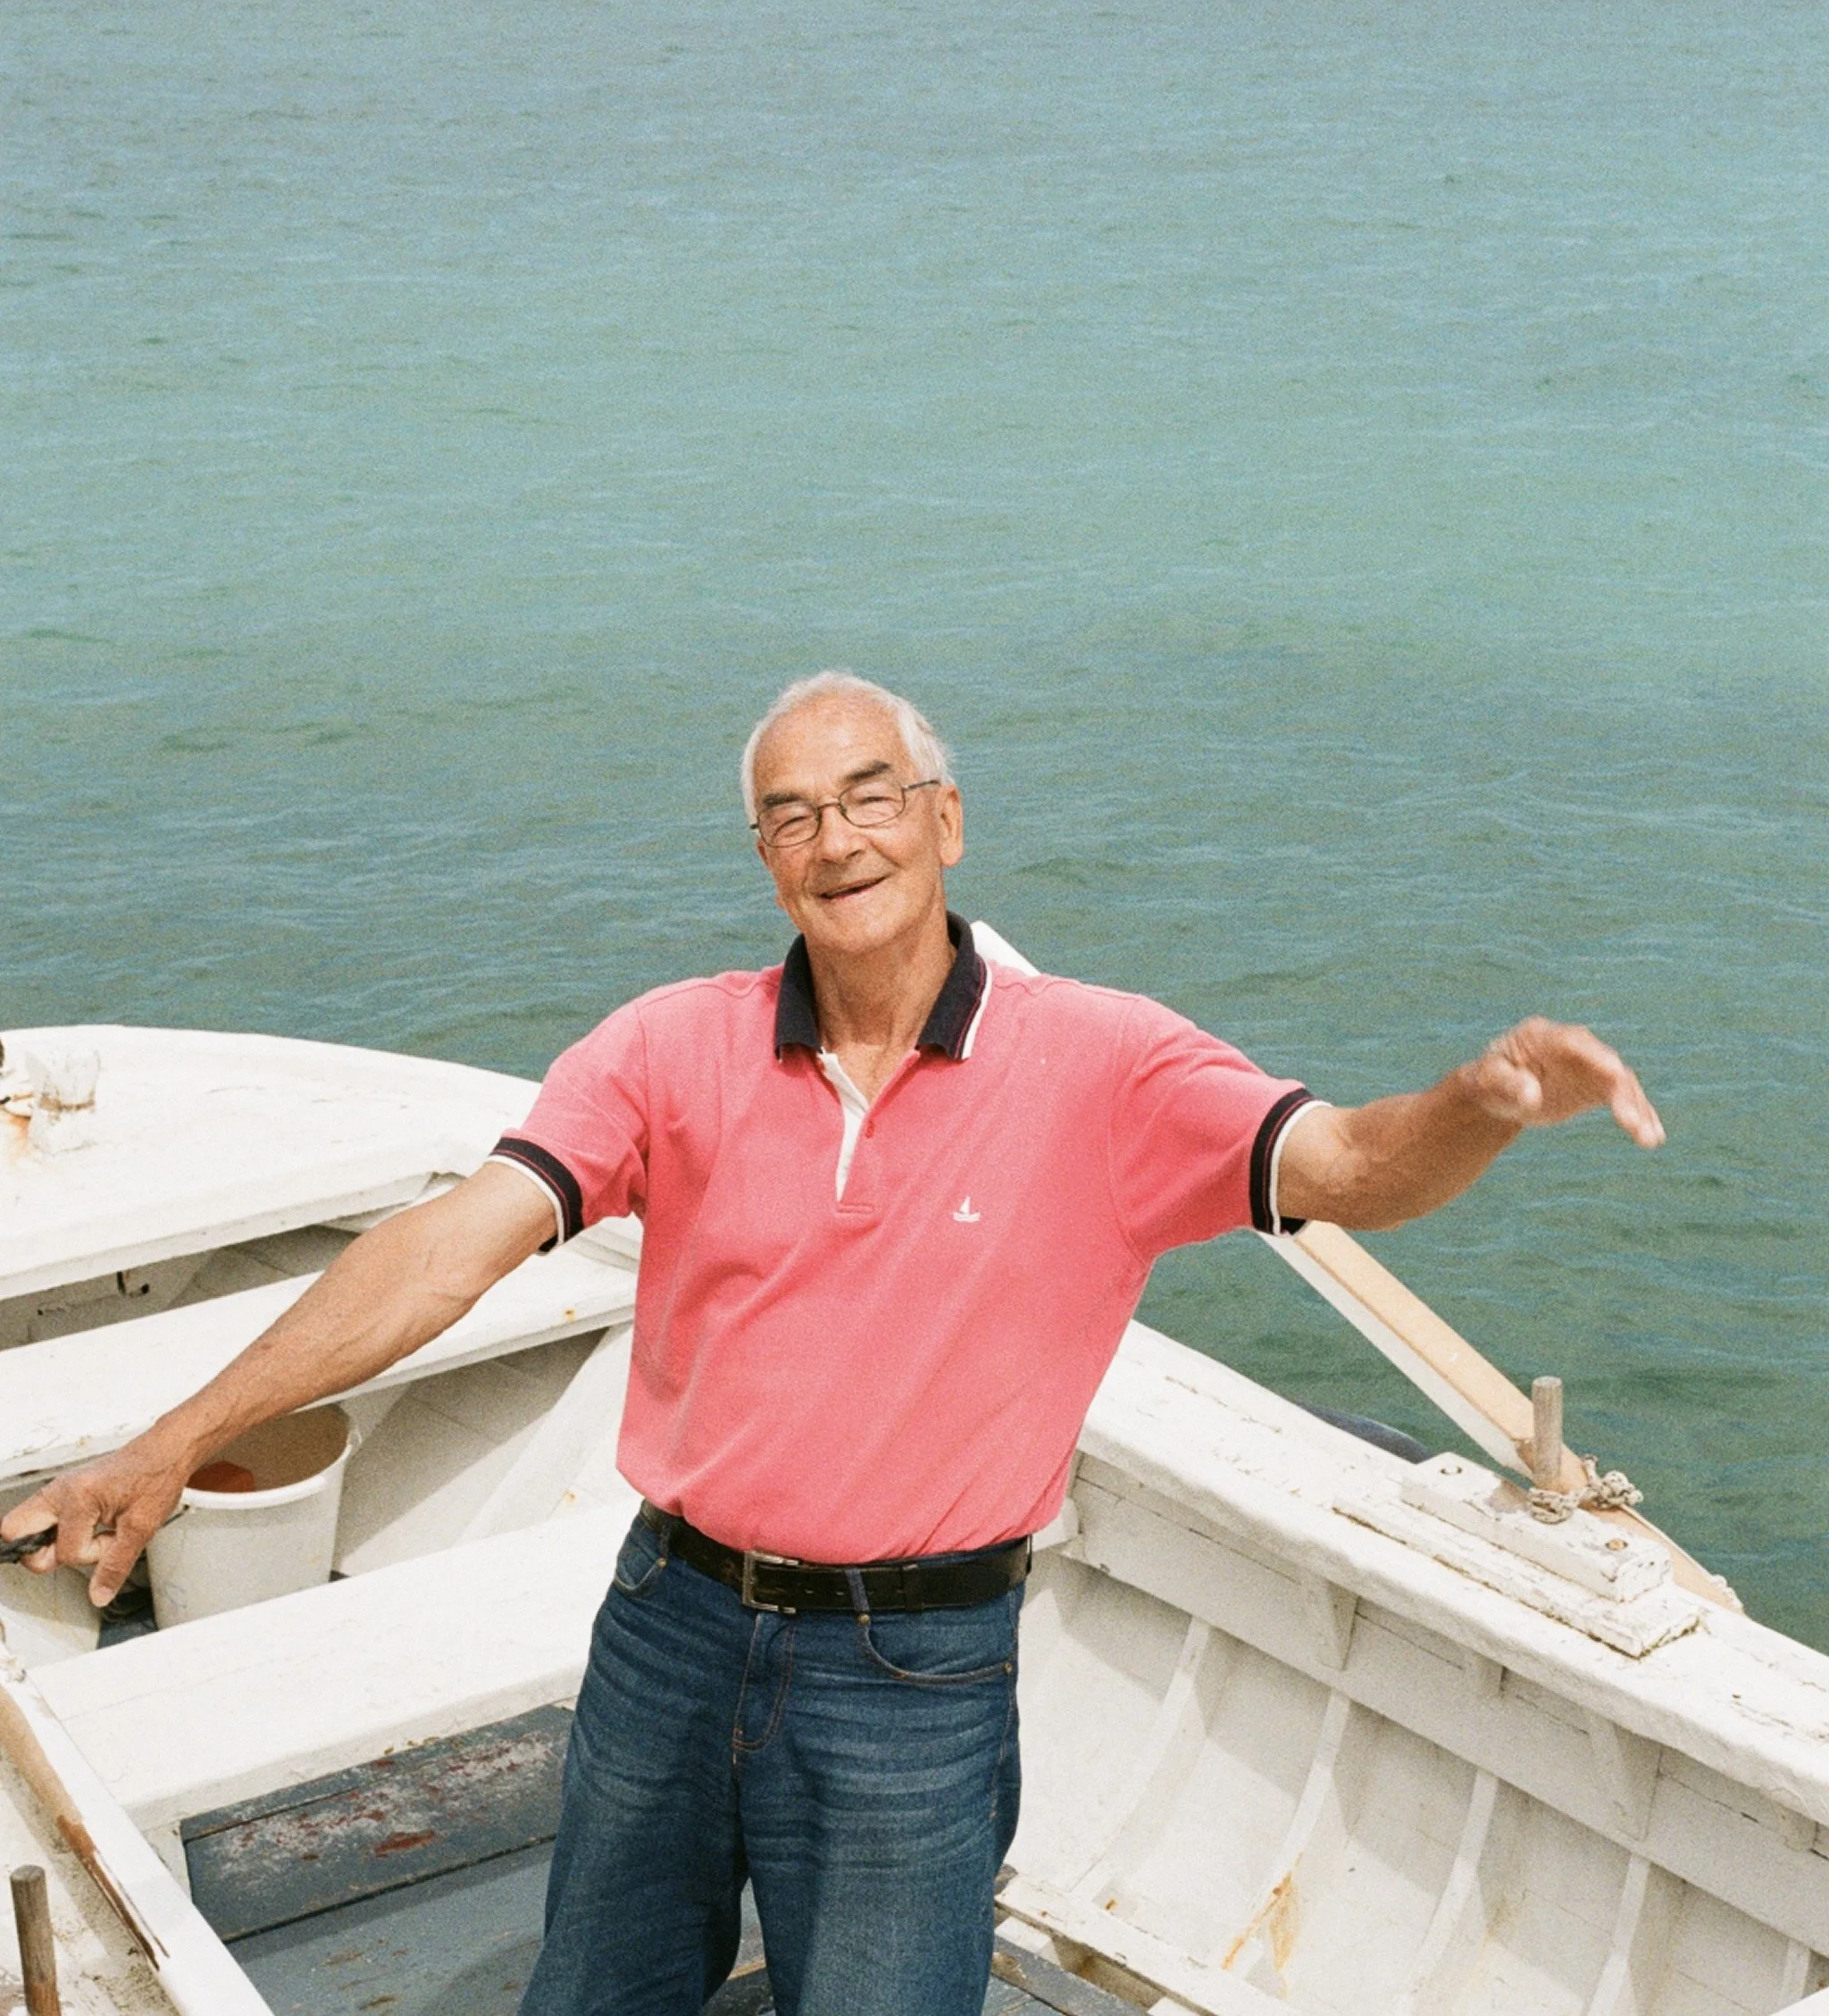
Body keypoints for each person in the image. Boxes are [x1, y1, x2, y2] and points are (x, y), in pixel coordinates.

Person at [4, 672, 1664, 2016]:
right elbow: (444, 1249)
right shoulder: (672, 1047)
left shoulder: (1106, 1069)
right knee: (593, 1993)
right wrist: (172, 1440)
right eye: (792, 814)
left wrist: (1478, 1102)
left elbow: (1354, 1166)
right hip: (670, 1623)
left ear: (946, 819)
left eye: (872, 795)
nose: (838, 838)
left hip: (913, 1675)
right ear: (764, 857)